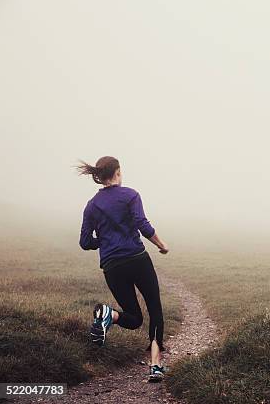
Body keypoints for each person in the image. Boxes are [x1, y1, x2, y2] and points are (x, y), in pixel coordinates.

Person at [77, 156, 170, 382]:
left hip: (112, 266)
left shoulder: (91, 206)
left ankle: (110, 315)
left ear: (99, 176)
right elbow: (142, 224)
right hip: (137, 258)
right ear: (117, 172)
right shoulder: (130, 195)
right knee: (154, 308)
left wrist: (106, 240)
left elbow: (85, 242)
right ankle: (155, 365)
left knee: (134, 318)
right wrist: (161, 244)